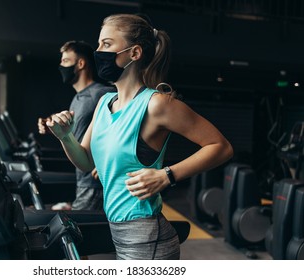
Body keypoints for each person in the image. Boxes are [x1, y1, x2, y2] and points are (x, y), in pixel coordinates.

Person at [44, 14, 234, 260]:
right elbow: (85, 162)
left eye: (107, 44)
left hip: (147, 238)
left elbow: (221, 146)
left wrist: (167, 175)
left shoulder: (157, 105)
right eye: (99, 44)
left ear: (134, 53)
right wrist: (65, 136)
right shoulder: (104, 103)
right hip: (119, 232)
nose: (98, 51)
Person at [38, 40, 114, 211]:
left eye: (65, 61)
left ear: (80, 64)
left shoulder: (101, 93)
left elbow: (129, 123)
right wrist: (52, 126)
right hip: (82, 178)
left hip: (93, 184)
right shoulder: (78, 97)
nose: (61, 66)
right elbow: (81, 130)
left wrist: (107, 162)